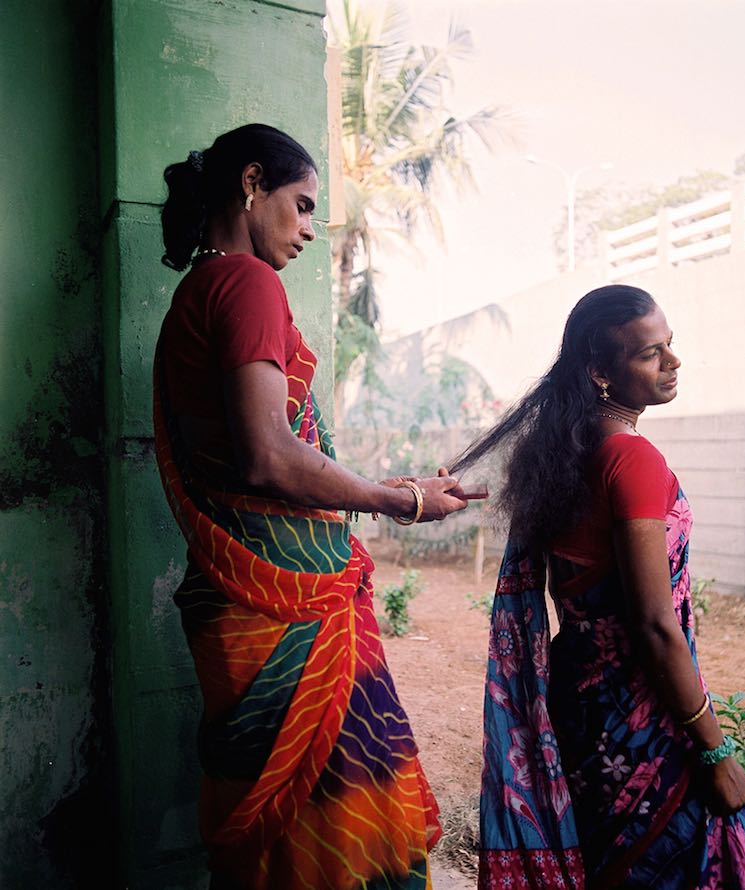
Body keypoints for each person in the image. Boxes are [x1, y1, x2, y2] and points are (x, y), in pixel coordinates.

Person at [153, 123, 468, 890]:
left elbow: (265, 454)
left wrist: (391, 487)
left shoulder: (198, 290)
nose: (306, 231)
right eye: (300, 206)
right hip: (287, 609)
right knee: (333, 832)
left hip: (243, 602)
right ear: (252, 184)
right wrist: (398, 500)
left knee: (284, 843)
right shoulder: (247, 282)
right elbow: (269, 456)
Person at [451, 285, 745, 889]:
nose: (673, 362)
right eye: (651, 353)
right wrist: (713, 751)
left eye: (670, 346)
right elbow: (655, 626)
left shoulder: (564, 454)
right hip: (645, 718)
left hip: (578, 709)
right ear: (600, 371)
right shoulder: (632, 460)